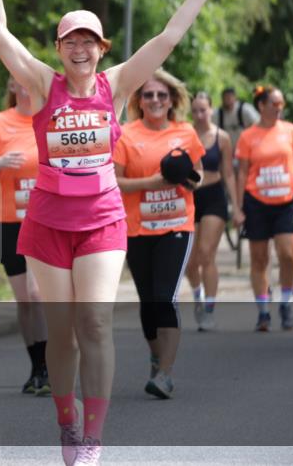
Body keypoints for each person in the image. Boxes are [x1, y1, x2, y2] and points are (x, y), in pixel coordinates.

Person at [0, 0, 239, 465]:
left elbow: (167, 38)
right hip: (48, 223)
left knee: (94, 322)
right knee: (62, 333)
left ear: (100, 48)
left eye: (88, 41)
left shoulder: (117, 85)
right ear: (59, 47)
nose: (80, 49)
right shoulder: (41, 83)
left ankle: (93, 436)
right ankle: (65, 419)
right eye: (70, 41)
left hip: (101, 218)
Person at [114, 70, 205, 399]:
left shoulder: (186, 133)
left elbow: (198, 177)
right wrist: (150, 184)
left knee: (165, 296)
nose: (155, 100)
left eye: (161, 96)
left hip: (177, 226)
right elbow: (116, 181)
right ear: (139, 101)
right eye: (149, 95)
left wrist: (186, 177)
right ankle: (156, 356)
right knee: (148, 301)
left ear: (172, 101)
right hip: (136, 228)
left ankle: (165, 373)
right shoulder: (125, 134)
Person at [0, 76, 50, 395]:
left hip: (44, 222)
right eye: (21, 83)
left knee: (37, 295)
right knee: (24, 300)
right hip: (8, 222)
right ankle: (36, 366)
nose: (27, 88)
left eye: (31, 84)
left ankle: (48, 366)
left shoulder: (49, 121)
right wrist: (1, 162)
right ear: (11, 87)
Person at [234, 85, 293, 332]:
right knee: (259, 259)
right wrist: (238, 207)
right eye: (274, 103)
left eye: (281, 104)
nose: (279, 108)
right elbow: (241, 173)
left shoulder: (290, 131)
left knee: (288, 254)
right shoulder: (248, 136)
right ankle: (263, 311)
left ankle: (285, 304)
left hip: (286, 202)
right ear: (261, 106)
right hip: (256, 203)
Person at [185, 91, 238, 331]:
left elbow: (228, 173)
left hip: (214, 196)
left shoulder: (222, 137)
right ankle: (197, 296)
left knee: (207, 253)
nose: (199, 114)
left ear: (211, 109)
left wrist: (237, 206)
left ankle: (209, 309)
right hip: (189, 197)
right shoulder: (184, 135)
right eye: (195, 110)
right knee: (189, 261)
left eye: (203, 110)